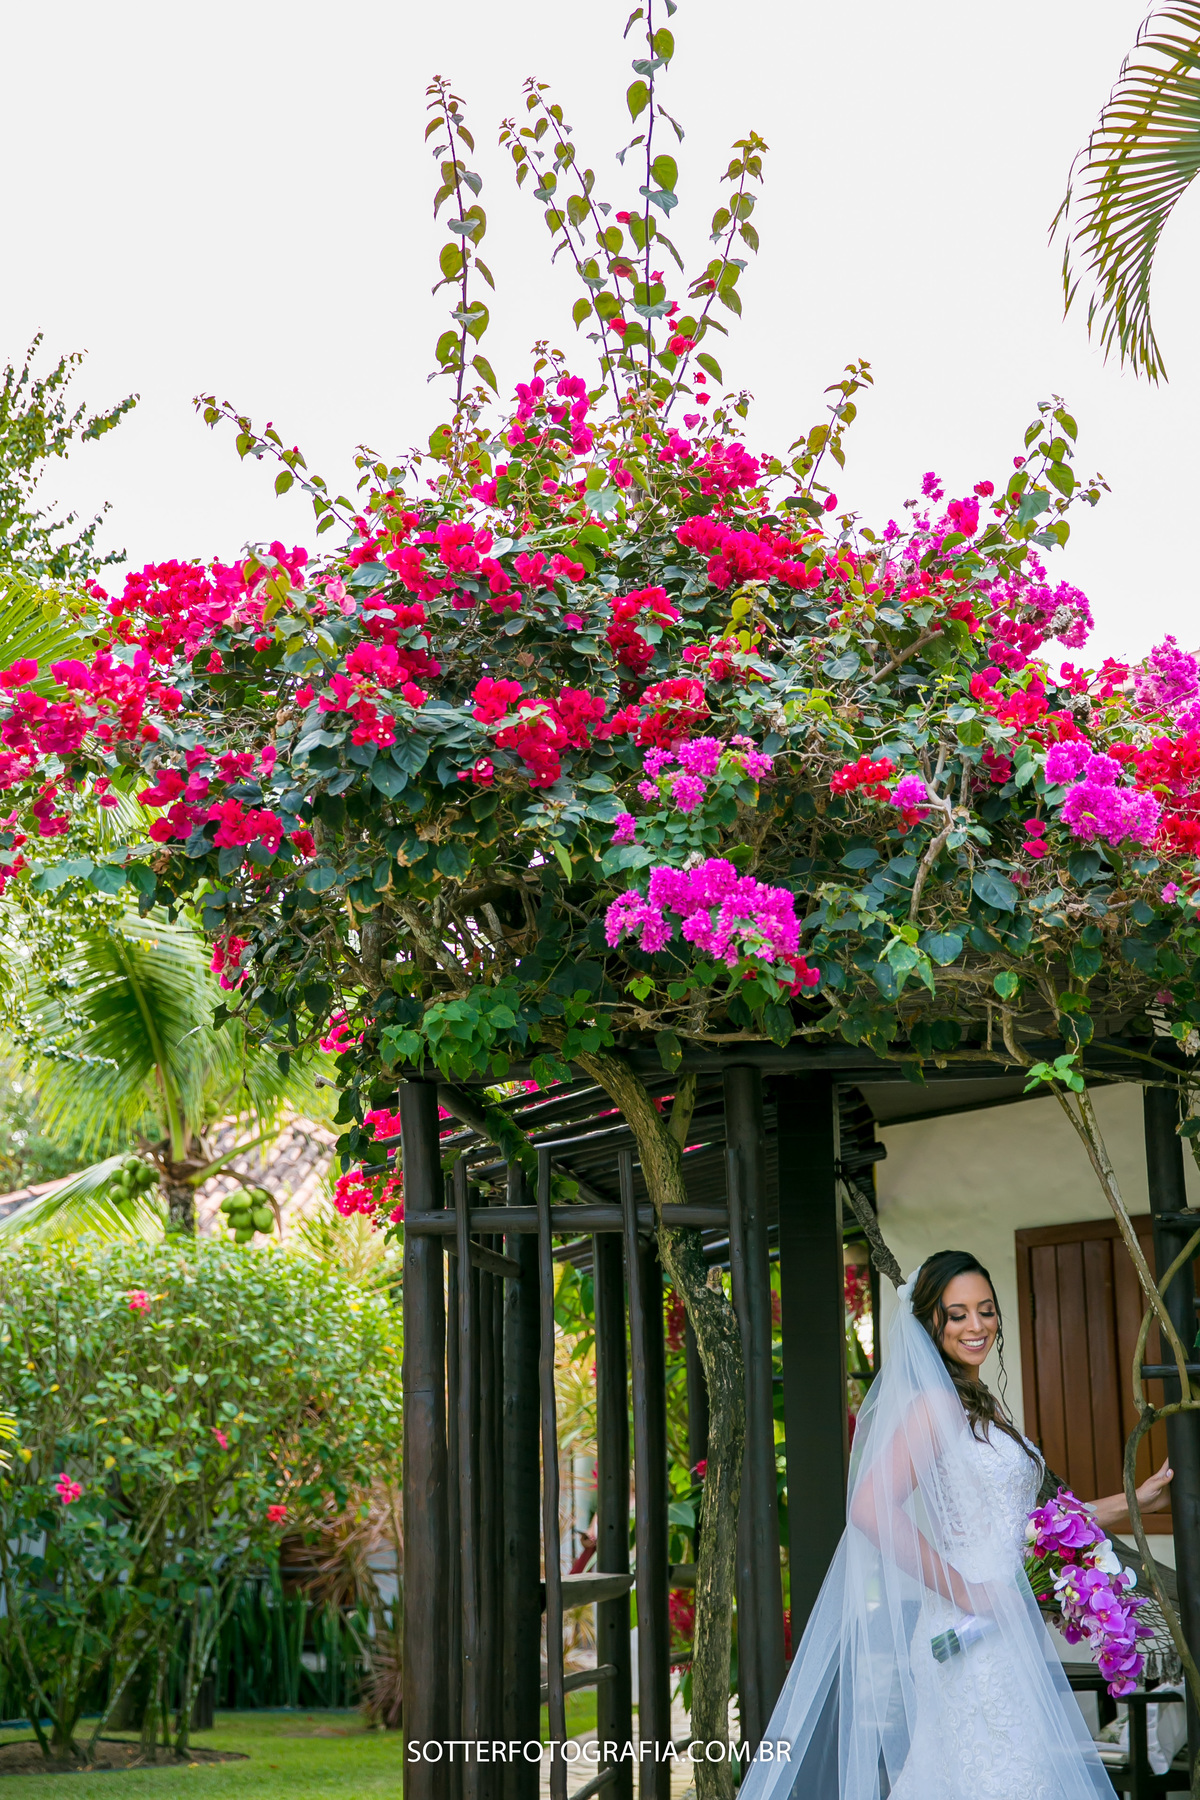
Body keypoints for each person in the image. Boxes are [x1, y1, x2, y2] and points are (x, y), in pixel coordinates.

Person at [741, 1249, 1173, 1800]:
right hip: (970, 1631)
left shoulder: (980, 1404)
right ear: (931, 1324)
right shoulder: (936, 1406)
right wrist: (966, 1591)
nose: (977, 1326)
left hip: (1007, 1624)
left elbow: (1034, 1526)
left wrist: (1134, 1501)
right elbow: (870, 1508)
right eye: (958, 1313)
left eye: (986, 1310)